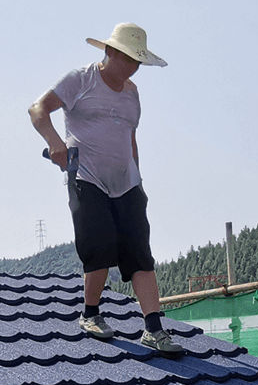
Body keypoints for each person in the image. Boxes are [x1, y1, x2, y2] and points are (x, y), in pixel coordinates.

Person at [28, 23, 182, 356]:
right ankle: (91, 314)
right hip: (87, 175)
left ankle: (154, 329)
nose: (132, 67)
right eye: (127, 58)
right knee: (98, 242)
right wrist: (55, 142)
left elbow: (130, 139)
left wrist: (138, 178)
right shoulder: (79, 80)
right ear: (109, 52)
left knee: (140, 250)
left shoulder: (132, 94)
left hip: (126, 181)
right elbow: (37, 110)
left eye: (137, 61)